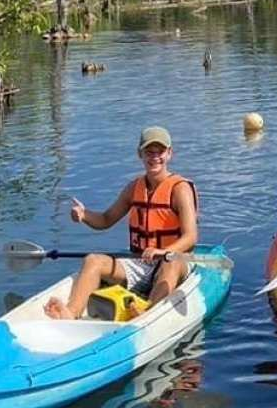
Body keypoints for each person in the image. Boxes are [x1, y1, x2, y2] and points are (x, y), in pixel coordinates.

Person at [44, 125, 198, 319]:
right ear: (140, 154)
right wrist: (84, 215)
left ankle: (147, 312)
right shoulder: (133, 188)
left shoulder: (180, 189)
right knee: (93, 260)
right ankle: (71, 312)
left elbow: (191, 237)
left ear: (169, 154)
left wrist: (164, 252)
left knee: (171, 263)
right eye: (149, 152)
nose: (155, 157)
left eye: (160, 152)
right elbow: (106, 220)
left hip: (173, 260)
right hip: (140, 261)